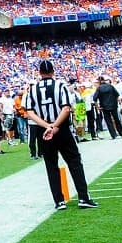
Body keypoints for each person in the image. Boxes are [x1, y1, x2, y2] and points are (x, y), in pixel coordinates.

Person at [22, 60, 98, 211]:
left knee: (51, 165)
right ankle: (83, 197)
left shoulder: (32, 89)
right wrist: (55, 126)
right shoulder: (60, 85)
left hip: (43, 130)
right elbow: (66, 108)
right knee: (74, 161)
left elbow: (29, 112)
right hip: (61, 128)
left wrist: (47, 126)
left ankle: (59, 201)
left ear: (40, 72)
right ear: (53, 71)